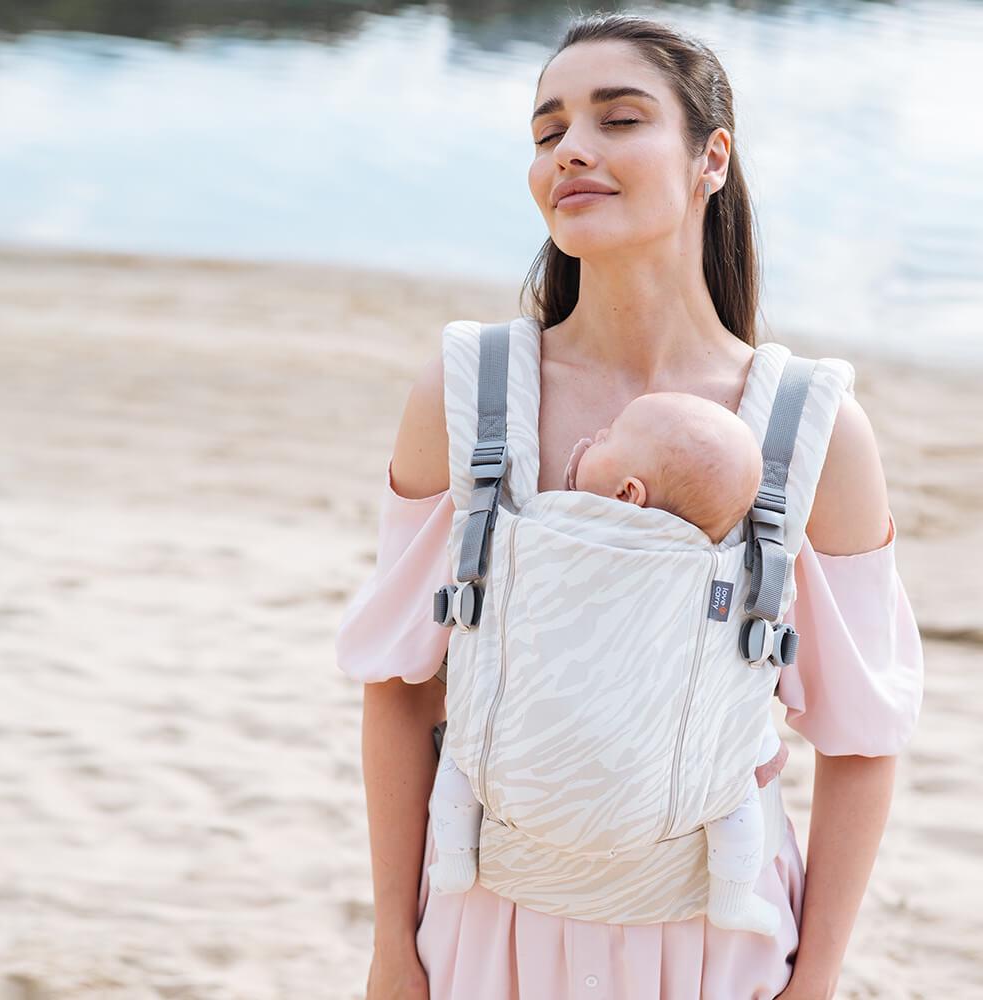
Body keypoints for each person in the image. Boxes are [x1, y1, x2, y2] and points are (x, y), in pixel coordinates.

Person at [336, 12, 923, 999]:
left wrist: (815, 977)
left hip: (713, 943)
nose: (571, 149)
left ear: (710, 159)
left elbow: (861, 737)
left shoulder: (811, 426)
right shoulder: (467, 391)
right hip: (487, 931)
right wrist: (395, 948)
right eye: (547, 129)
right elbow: (399, 687)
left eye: (618, 119)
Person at [429, 391, 783, 939]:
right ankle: (732, 896)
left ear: (627, 493)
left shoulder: (543, 524)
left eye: (608, 436)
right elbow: (720, 686)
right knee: (732, 787)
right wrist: (757, 743)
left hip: (515, 776)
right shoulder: (711, 576)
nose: (592, 437)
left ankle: (454, 856)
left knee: (463, 748)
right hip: (653, 807)